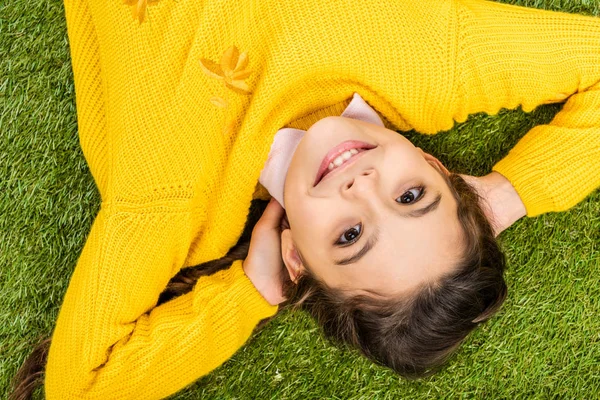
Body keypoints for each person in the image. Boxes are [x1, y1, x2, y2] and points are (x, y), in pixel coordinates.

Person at [10, 0, 600, 398]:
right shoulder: (425, 63)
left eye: (350, 237)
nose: (362, 187)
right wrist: (503, 195)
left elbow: (77, 387)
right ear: (437, 166)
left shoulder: (175, 200)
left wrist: (251, 292)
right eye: (412, 195)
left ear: (297, 259)